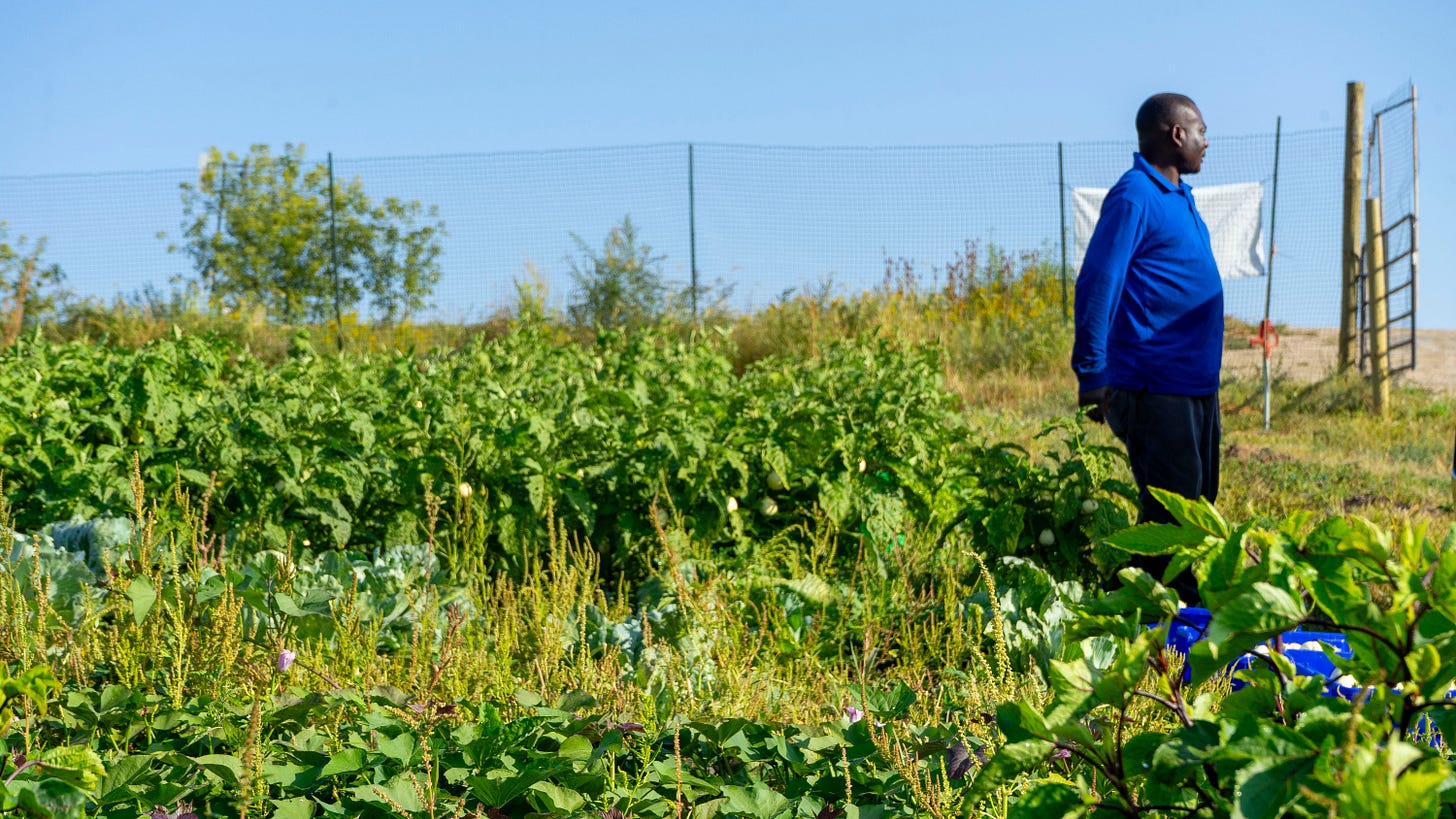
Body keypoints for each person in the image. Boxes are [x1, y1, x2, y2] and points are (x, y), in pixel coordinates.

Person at [1072, 93, 1221, 603]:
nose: (1207, 140)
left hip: (1193, 385)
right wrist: (1092, 371)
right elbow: (1099, 280)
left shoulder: (1180, 197)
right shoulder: (1135, 194)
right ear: (1175, 134)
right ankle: (1168, 626)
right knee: (1172, 517)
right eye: (1200, 129)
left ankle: (1133, 608)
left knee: (1193, 508)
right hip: (1155, 384)